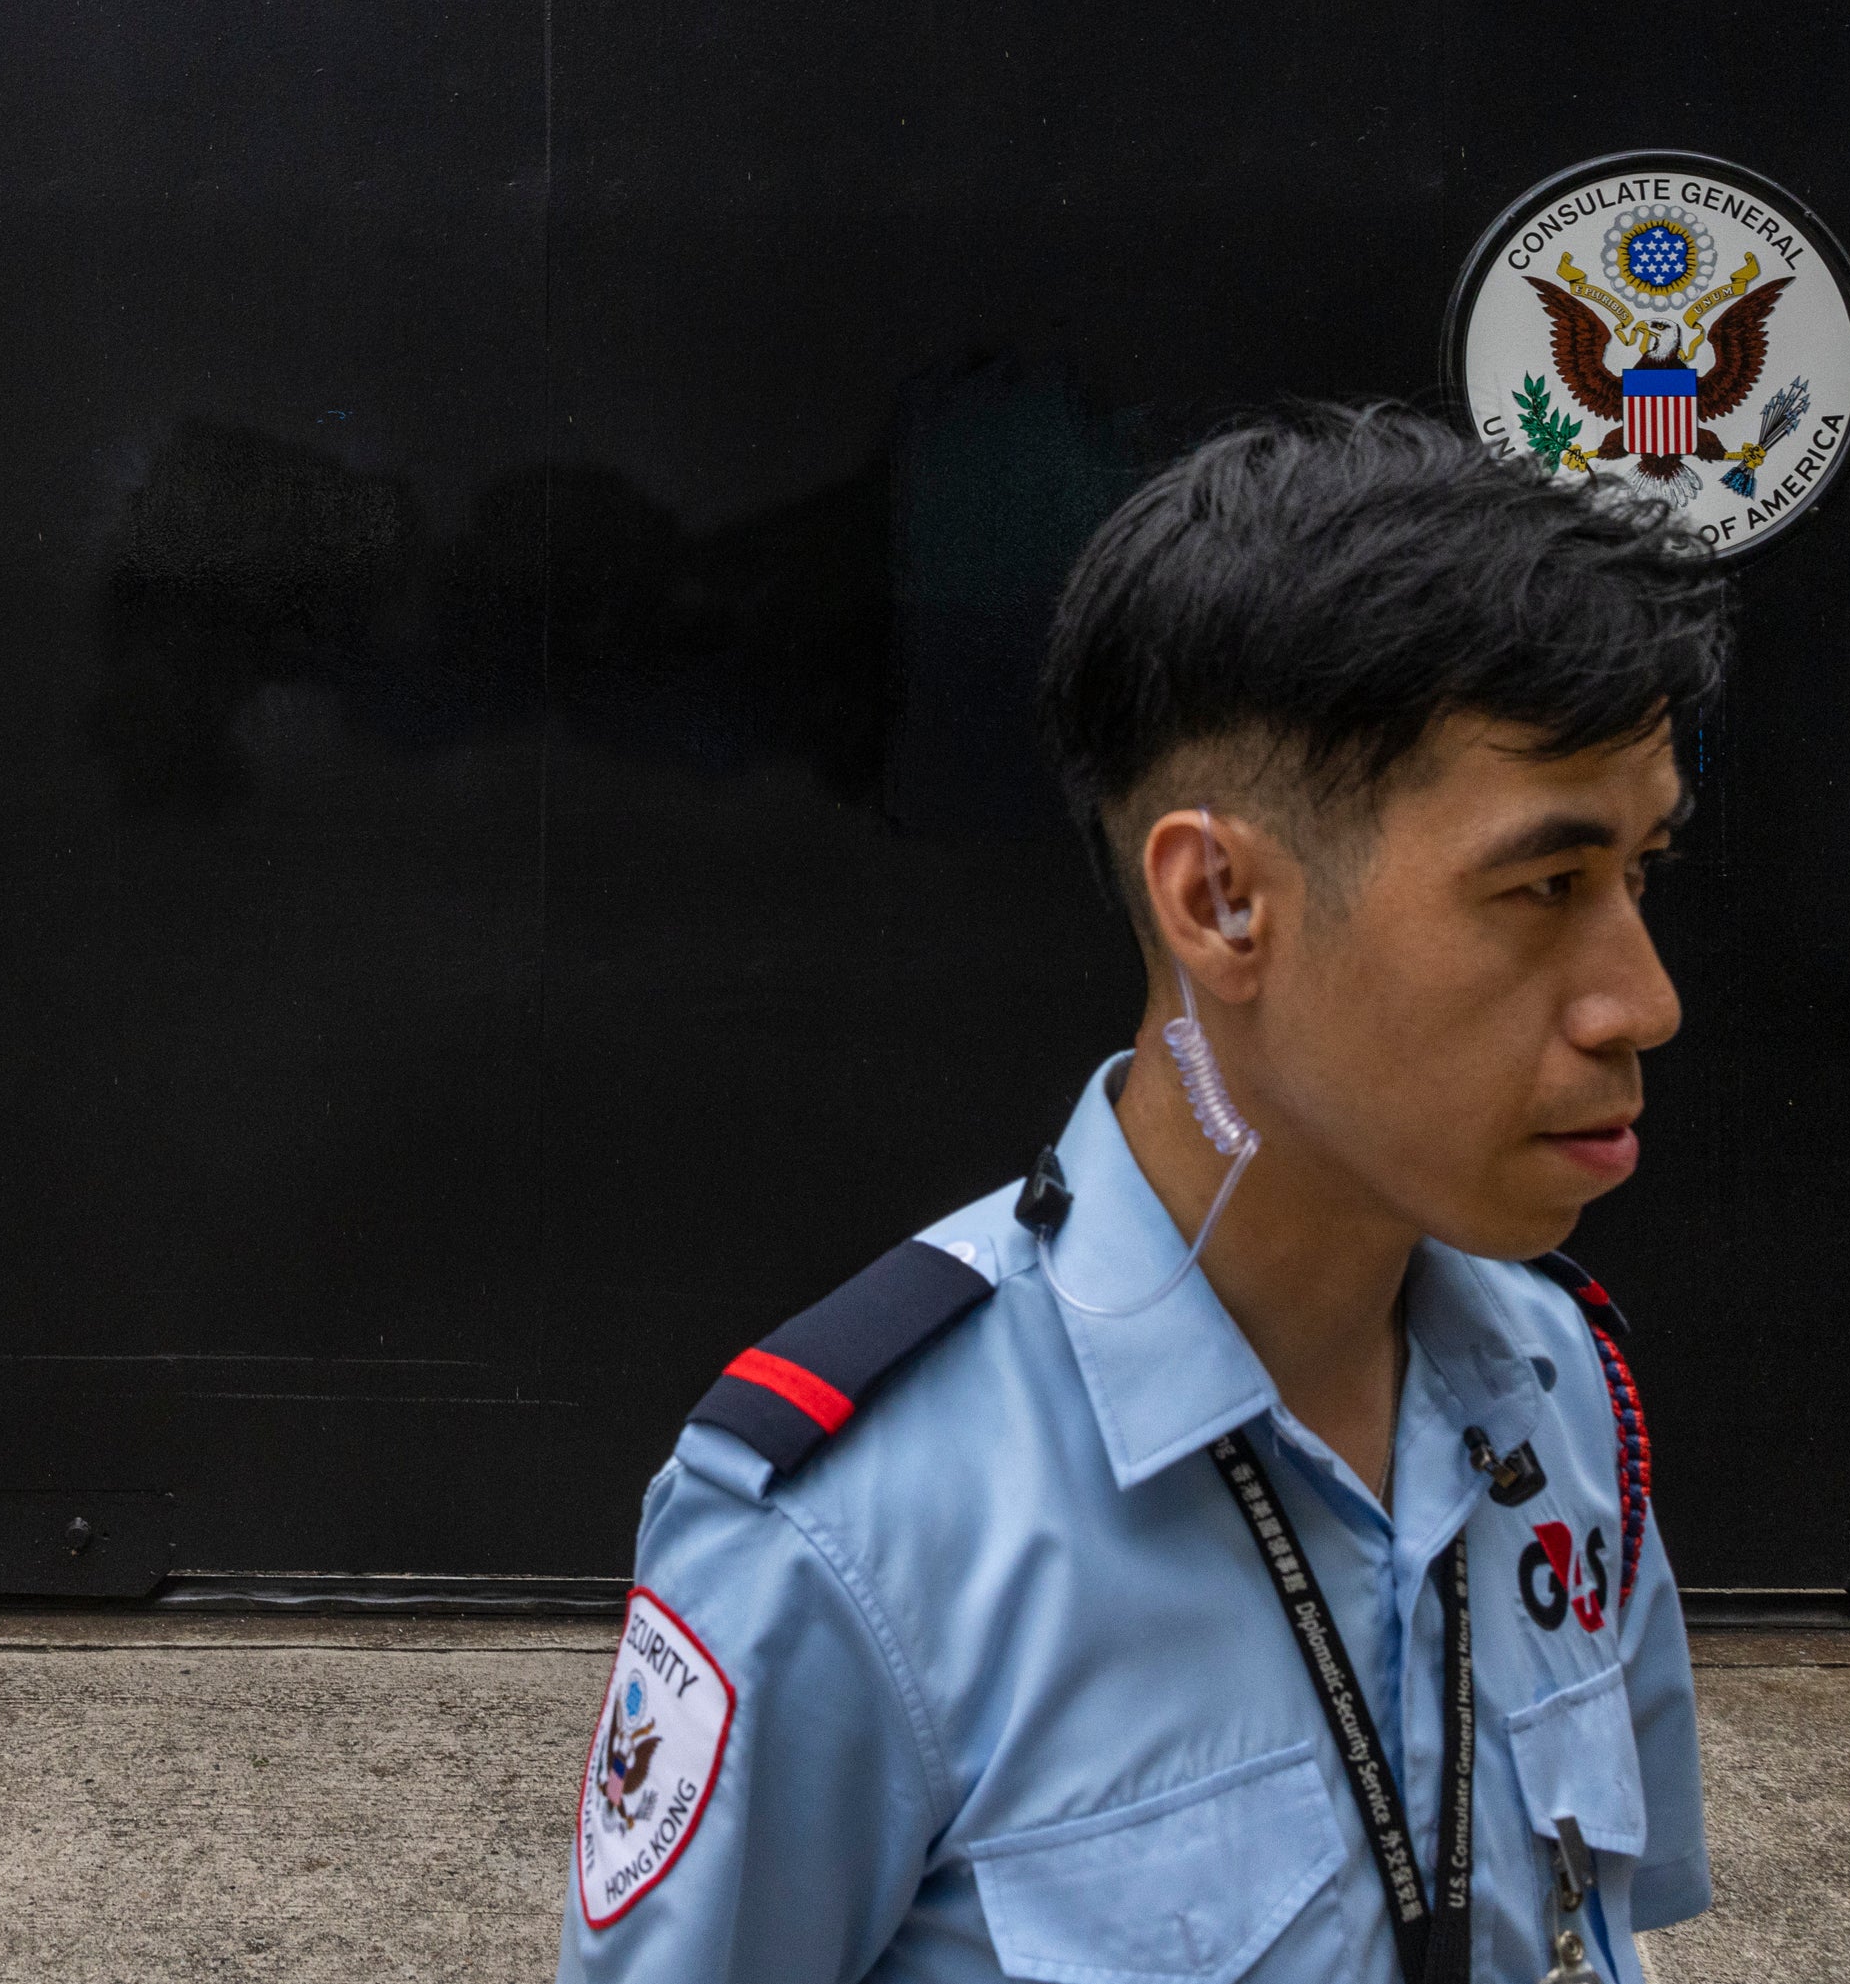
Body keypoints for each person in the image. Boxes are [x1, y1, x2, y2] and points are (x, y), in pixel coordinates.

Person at [557, 406, 1725, 1984]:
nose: (1639, 999)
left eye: (1642, 872)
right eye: (1543, 886)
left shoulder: (1560, 1397)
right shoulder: (853, 1537)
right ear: (1220, 900)